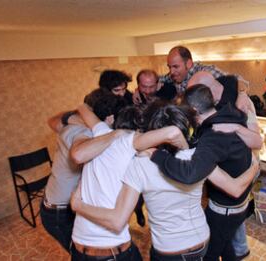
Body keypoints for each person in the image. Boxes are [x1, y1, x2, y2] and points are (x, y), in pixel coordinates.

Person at [70, 102, 259, 260]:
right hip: (201, 241)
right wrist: (254, 168)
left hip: (170, 250)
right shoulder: (196, 158)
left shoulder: (140, 165)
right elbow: (235, 189)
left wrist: (78, 205)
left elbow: (117, 219)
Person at [70, 91, 189, 261]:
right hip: (110, 251)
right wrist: (186, 157)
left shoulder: (102, 133)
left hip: (79, 247)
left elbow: (83, 108)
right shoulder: (130, 142)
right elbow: (173, 133)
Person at [150, 85, 253, 260]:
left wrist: (156, 154)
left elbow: (190, 174)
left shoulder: (213, 136)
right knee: (225, 244)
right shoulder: (226, 115)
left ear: (195, 111)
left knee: (210, 254)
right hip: (240, 204)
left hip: (225, 210)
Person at [40, 90, 127, 252]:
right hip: (59, 212)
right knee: (82, 254)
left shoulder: (76, 124)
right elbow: (79, 154)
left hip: (64, 204)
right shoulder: (83, 132)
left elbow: (53, 121)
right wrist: (116, 134)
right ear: (109, 118)